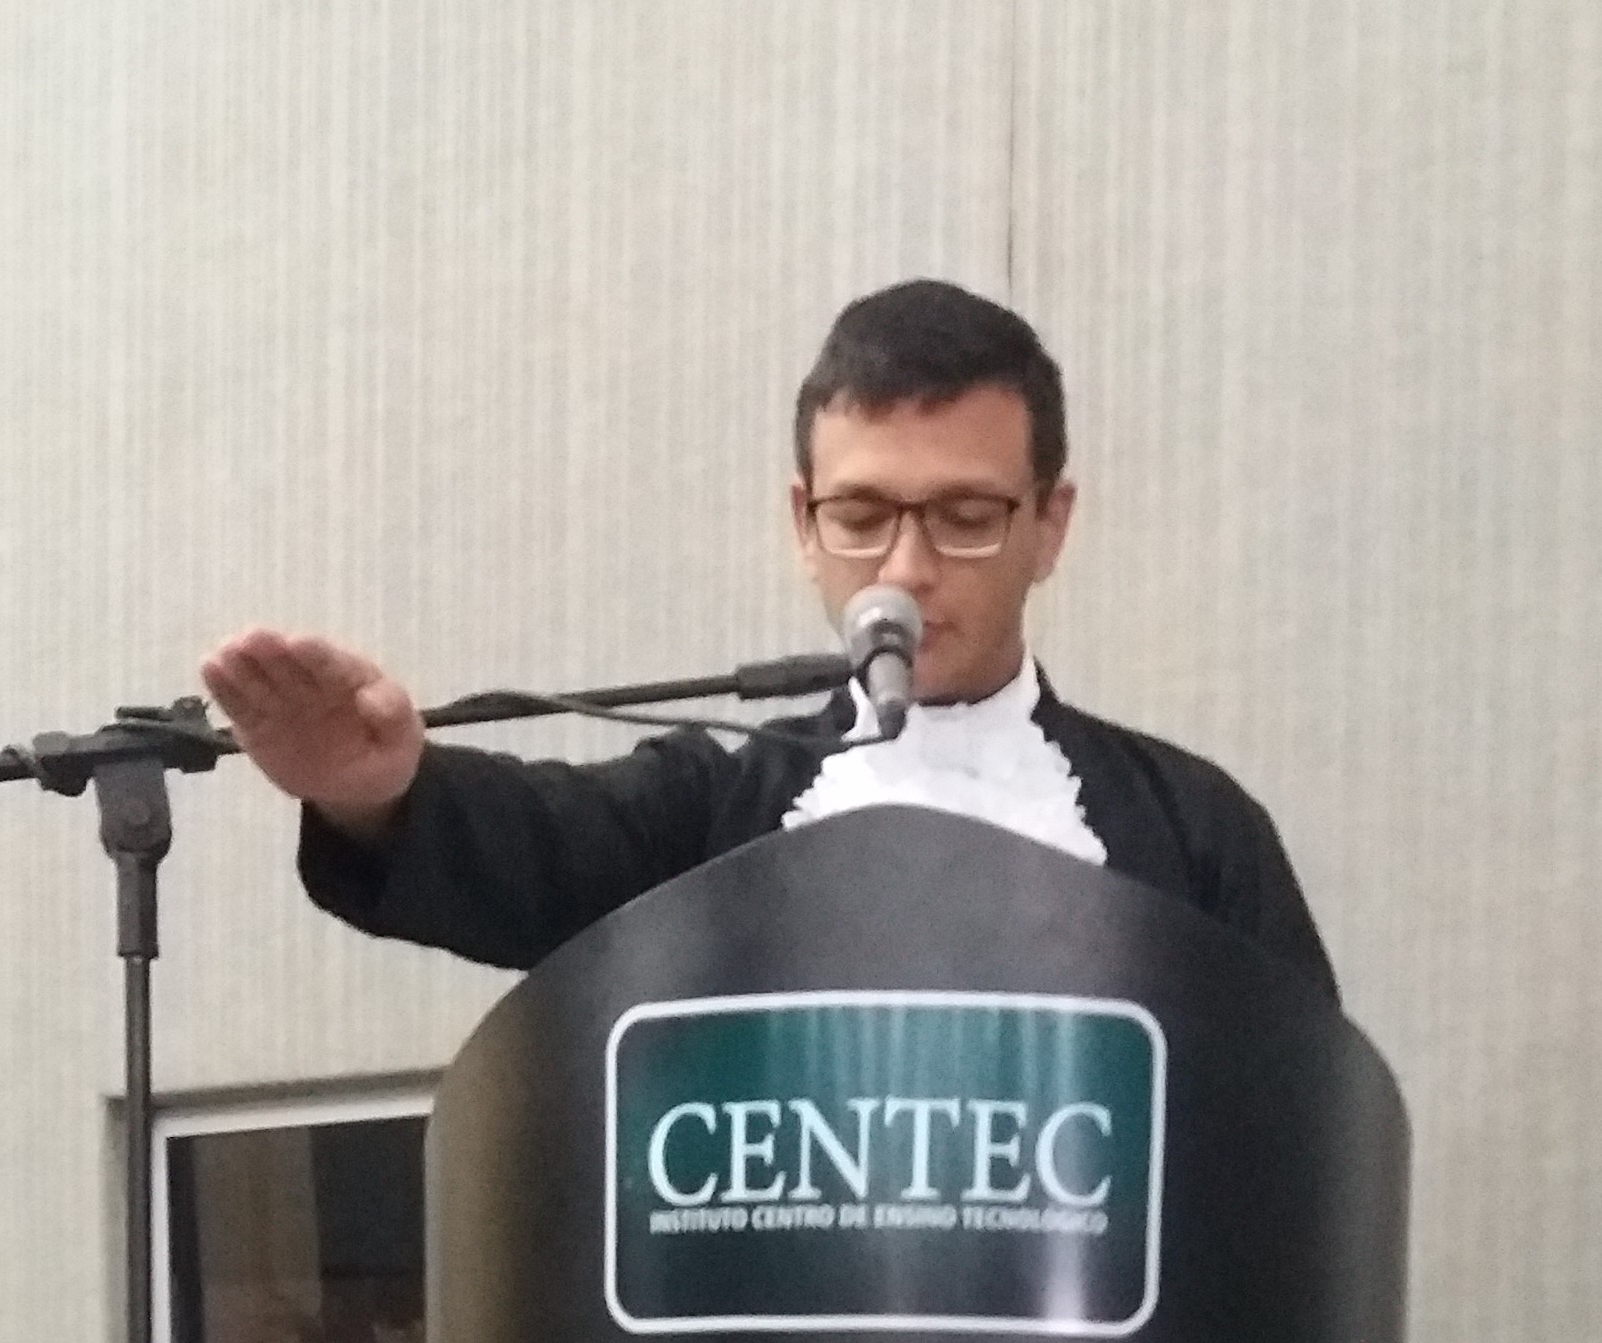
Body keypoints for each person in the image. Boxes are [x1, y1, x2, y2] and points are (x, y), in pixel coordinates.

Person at [202, 278, 1336, 996]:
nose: (906, 568)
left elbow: (1293, 1133)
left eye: (966, 516)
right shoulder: (722, 808)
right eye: (861, 515)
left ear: (1050, 525)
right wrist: (378, 796)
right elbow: (543, 840)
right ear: (804, 524)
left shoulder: (1196, 831)